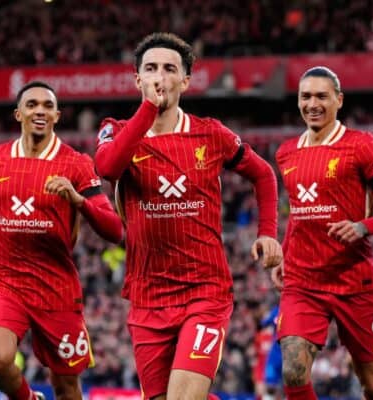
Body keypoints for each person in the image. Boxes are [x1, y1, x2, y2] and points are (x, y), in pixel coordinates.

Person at [94, 32, 282, 400]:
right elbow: (108, 168)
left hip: (204, 292)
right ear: (137, 79)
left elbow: (263, 174)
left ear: (186, 80)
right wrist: (148, 108)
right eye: (150, 69)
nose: (159, 77)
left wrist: (268, 231)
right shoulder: (115, 130)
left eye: (169, 69)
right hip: (148, 298)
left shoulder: (210, 134)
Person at [0, 81, 123, 400]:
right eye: (32, 105)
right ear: (18, 114)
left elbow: (114, 230)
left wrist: (78, 201)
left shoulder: (76, 164)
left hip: (57, 290)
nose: (40, 111)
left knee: (66, 387)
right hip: (6, 283)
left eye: (47, 106)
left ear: (57, 115)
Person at [272, 66, 373, 400]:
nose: (313, 104)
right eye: (305, 96)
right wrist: (284, 251)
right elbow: (299, 212)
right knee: (293, 372)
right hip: (303, 282)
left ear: (339, 100)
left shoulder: (360, 146)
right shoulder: (286, 152)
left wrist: (362, 227)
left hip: (354, 282)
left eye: (322, 96)